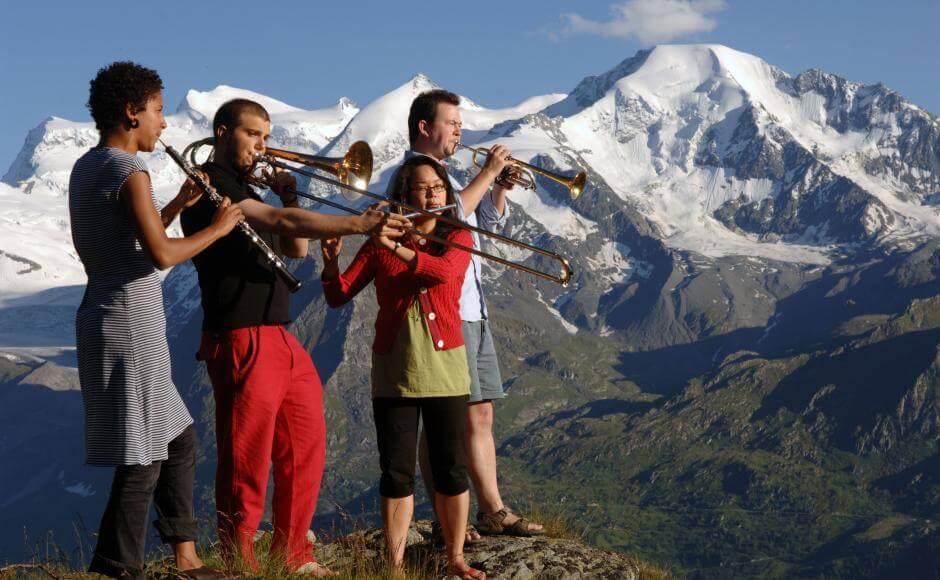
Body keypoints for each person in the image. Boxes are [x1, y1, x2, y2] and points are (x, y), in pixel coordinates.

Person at [180, 98, 409, 576]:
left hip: (278, 334)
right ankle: (240, 558)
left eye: (266, 136)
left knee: (305, 446)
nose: (264, 147)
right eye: (254, 136)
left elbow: (295, 248)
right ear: (223, 133)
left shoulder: (246, 186)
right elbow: (283, 227)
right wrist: (358, 222)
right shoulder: (208, 186)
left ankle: (293, 555)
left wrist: (289, 195)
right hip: (241, 333)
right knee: (247, 455)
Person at [69, 61, 243, 579]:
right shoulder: (129, 171)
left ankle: (185, 556)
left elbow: (125, 243)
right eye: (158, 111)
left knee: (177, 437)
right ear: (131, 112)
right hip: (129, 323)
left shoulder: (87, 165)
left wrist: (174, 205)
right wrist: (219, 226)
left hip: (109, 315)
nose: (164, 124)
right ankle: (117, 566)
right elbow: (163, 255)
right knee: (144, 453)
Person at [320, 156, 485, 580]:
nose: (432, 195)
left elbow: (442, 274)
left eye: (438, 188)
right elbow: (340, 295)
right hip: (394, 366)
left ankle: (454, 557)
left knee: (451, 465)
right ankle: (394, 567)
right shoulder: (378, 244)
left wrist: (394, 242)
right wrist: (331, 263)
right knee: (395, 471)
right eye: (422, 189)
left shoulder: (458, 234)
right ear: (404, 195)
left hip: (446, 365)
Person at [392, 90, 544, 540]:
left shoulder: (450, 177)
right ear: (425, 127)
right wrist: (488, 171)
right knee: (443, 419)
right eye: (452, 122)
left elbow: (483, 226)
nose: (460, 131)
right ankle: (447, 515)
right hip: (442, 309)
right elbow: (448, 220)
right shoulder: (410, 177)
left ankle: (491, 509)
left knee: (480, 415)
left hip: (473, 308)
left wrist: (497, 187)